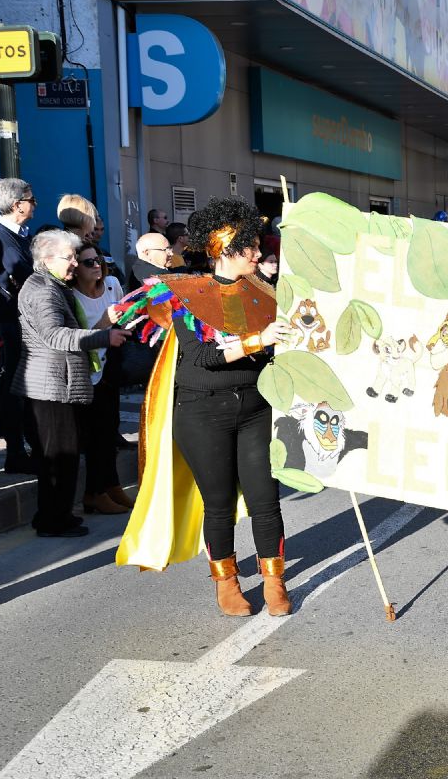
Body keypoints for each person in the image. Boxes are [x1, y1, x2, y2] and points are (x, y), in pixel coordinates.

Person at [116, 197, 296, 617]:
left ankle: (275, 580)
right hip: (202, 411)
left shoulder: (265, 291)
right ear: (226, 248)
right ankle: (227, 582)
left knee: (265, 498)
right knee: (217, 504)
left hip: (255, 407)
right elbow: (203, 358)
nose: (258, 253)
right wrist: (259, 341)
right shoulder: (185, 294)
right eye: (250, 247)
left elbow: (275, 353)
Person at [13, 230, 131, 537]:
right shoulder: (43, 290)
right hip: (49, 385)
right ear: (47, 259)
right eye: (69, 257)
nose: (74, 263)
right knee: (58, 457)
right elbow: (55, 335)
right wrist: (104, 336)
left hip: (55, 382)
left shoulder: (51, 285)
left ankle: (53, 515)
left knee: (61, 456)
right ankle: (54, 520)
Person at [70, 239, 133, 515]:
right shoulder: (70, 297)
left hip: (111, 369)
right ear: (75, 267)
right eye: (89, 262)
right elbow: (77, 339)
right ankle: (94, 493)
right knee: (94, 436)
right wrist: (106, 323)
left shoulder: (112, 286)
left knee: (110, 431)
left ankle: (112, 485)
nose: (97, 266)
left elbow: (124, 319)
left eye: (99, 261)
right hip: (85, 373)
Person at [0, 178, 40, 473]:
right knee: (14, 389)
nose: (35, 205)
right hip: (11, 325)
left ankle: (28, 447)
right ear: (17, 205)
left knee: (24, 389)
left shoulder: (20, 236)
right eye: (32, 199)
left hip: (24, 323)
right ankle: (16, 452)